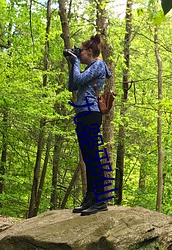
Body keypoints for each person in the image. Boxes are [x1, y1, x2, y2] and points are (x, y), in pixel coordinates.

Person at [66, 34, 112, 216]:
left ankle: (101, 200)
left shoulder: (99, 65)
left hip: (91, 113)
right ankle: (91, 197)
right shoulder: (89, 69)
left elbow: (77, 81)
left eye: (81, 51)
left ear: (90, 52)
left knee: (92, 156)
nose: (79, 54)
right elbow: (72, 85)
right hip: (83, 114)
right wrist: (73, 63)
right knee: (88, 157)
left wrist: (75, 62)